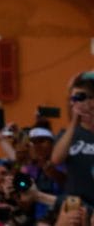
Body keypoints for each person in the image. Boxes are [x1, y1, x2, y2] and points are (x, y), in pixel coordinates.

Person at [51, 71, 94, 210]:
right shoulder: (68, 133)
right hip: (75, 202)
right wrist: (74, 122)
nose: (75, 102)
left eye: (80, 97)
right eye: (73, 98)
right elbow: (56, 159)